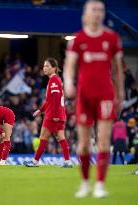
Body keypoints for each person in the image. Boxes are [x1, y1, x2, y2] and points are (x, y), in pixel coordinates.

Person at [64, 0, 124, 198]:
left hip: (106, 95)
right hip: (84, 95)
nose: (97, 13)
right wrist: (69, 83)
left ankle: (100, 184)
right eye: (94, 10)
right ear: (86, 13)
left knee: (104, 141)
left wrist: (121, 92)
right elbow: (70, 65)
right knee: (83, 143)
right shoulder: (78, 39)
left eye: (100, 10)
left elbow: (117, 70)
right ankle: (84, 183)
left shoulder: (112, 38)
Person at [24, 58, 72, 168]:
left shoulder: (54, 80)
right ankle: (68, 161)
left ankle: (35, 161)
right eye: (44, 66)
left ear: (54, 68)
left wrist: (54, 115)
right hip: (59, 115)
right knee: (61, 137)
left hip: (52, 116)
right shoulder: (56, 80)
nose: (44, 68)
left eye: (47, 66)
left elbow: (55, 99)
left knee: (43, 138)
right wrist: (40, 110)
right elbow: (50, 101)